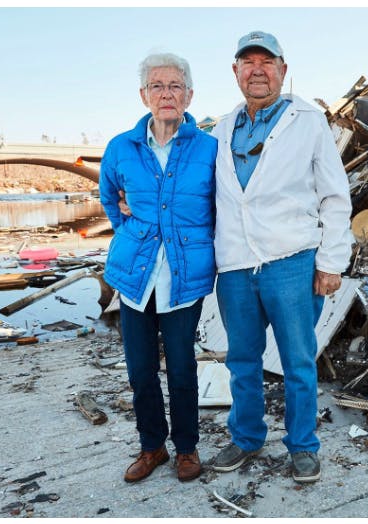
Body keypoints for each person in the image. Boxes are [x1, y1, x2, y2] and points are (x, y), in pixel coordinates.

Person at [204, 31, 352, 484]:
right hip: (235, 267)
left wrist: (332, 261)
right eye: (247, 62)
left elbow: (334, 196)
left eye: (266, 62)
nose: (257, 70)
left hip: (292, 262)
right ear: (235, 73)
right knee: (242, 361)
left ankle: (303, 445)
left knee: (298, 362)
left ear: (283, 70)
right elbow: (202, 196)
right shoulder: (220, 130)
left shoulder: (307, 121)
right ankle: (246, 438)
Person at [99, 53, 218, 483]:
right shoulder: (121, 147)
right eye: (157, 86)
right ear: (143, 95)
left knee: (183, 367)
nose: (166, 94)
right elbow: (109, 196)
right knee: (140, 370)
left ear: (189, 95)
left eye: (175, 86)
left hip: (184, 277)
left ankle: (187, 449)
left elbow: (219, 206)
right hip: (135, 277)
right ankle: (153, 447)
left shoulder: (209, 148)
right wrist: (127, 231)